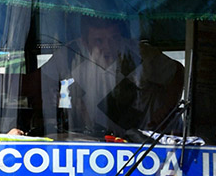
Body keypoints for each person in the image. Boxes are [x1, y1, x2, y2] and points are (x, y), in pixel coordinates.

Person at [38, 15, 183, 139]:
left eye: (114, 38)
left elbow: (177, 73)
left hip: (145, 141)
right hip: (99, 140)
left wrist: (165, 112)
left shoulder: (140, 54)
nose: (108, 46)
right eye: (99, 41)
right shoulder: (70, 54)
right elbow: (39, 82)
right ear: (84, 42)